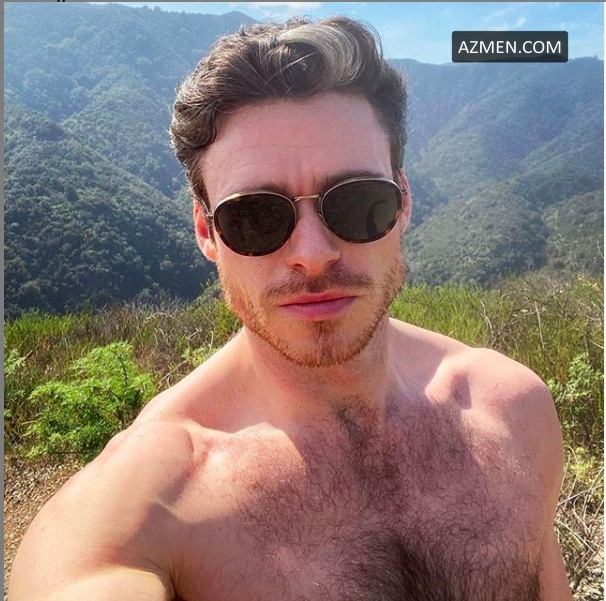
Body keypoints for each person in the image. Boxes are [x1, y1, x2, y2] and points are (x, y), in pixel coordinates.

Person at [9, 16, 572, 601]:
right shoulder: (148, 514)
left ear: (403, 202)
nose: (312, 253)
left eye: (357, 201)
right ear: (206, 232)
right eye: (255, 216)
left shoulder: (512, 411)